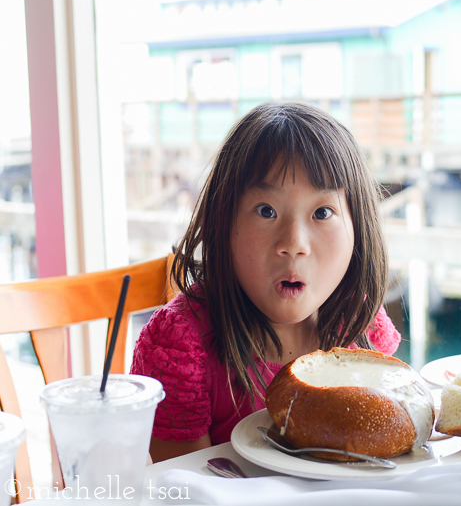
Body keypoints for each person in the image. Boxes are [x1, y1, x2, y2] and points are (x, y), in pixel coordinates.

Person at [131, 101, 401, 462]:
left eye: (322, 212)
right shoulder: (180, 346)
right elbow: (186, 488)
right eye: (266, 211)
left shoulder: (359, 320)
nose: (293, 243)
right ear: (222, 222)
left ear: (359, 227)